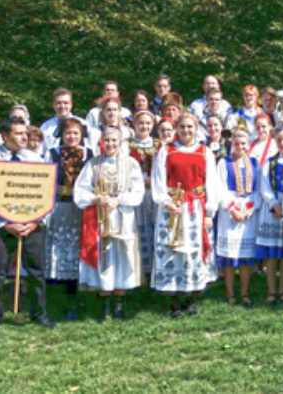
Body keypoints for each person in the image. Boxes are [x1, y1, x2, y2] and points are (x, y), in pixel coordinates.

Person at [0, 117, 55, 339]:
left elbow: (45, 192)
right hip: (3, 227)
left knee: (37, 272)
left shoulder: (34, 159)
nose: (24, 137)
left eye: (25, 133)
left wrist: (36, 222)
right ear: (4, 136)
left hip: (32, 226)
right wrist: (5, 224)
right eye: (18, 133)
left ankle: (39, 313)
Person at [151, 112, 221, 318]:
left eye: (190, 127)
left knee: (192, 250)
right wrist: (166, 202)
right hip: (173, 207)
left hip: (195, 208)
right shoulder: (167, 150)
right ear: (177, 129)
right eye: (182, 127)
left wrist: (209, 212)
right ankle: (173, 300)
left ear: (196, 127)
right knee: (173, 248)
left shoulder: (204, 151)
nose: (186, 131)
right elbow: (158, 179)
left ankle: (190, 298)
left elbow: (212, 183)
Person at [75, 127, 145, 321]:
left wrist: (120, 200)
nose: (111, 144)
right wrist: (96, 198)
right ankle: (105, 302)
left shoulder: (131, 164)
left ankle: (119, 303)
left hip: (123, 216)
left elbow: (138, 192)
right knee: (105, 256)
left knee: (122, 256)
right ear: (102, 142)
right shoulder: (93, 164)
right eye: (107, 141)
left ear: (120, 142)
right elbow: (80, 191)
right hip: (100, 217)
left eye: (114, 140)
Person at [43, 118, 94, 320]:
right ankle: (54, 295)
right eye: (68, 133)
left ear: (81, 135)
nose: (71, 137)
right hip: (59, 206)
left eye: (75, 133)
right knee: (57, 249)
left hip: (80, 208)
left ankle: (74, 297)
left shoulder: (89, 154)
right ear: (61, 135)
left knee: (76, 249)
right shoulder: (52, 154)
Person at [216, 130, 262, 307]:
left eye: (243, 144)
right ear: (232, 144)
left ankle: (244, 292)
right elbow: (219, 188)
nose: (240, 147)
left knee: (245, 257)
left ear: (248, 144)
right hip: (230, 211)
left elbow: (257, 190)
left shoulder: (254, 163)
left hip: (248, 210)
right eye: (237, 144)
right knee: (229, 257)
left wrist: (251, 208)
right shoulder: (224, 162)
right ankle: (229, 293)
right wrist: (232, 208)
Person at [257, 126, 283, 304]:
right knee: (272, 255)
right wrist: (274, 204)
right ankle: (272, 290)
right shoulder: (269, 163)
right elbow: (264, 186)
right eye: (280, 140)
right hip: (273, 211)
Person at [127, 110, 159, 276]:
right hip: (136, 193)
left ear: (152, 125)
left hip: (155, 193)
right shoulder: (126, 145)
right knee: (138, 227)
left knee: (155, 226)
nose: (144, 126)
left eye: (147, 123)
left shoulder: (159, 145)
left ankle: (155, 266)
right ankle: (140, 267)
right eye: (141, 123)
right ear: (134, 125)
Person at [40, 88, 93, 153]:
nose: (62, 106)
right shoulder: (45, 127)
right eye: (59, 103)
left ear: (71, 105)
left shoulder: (83, 124)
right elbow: (41, 151)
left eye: (66, 103)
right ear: (53, 105)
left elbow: (89, 149)